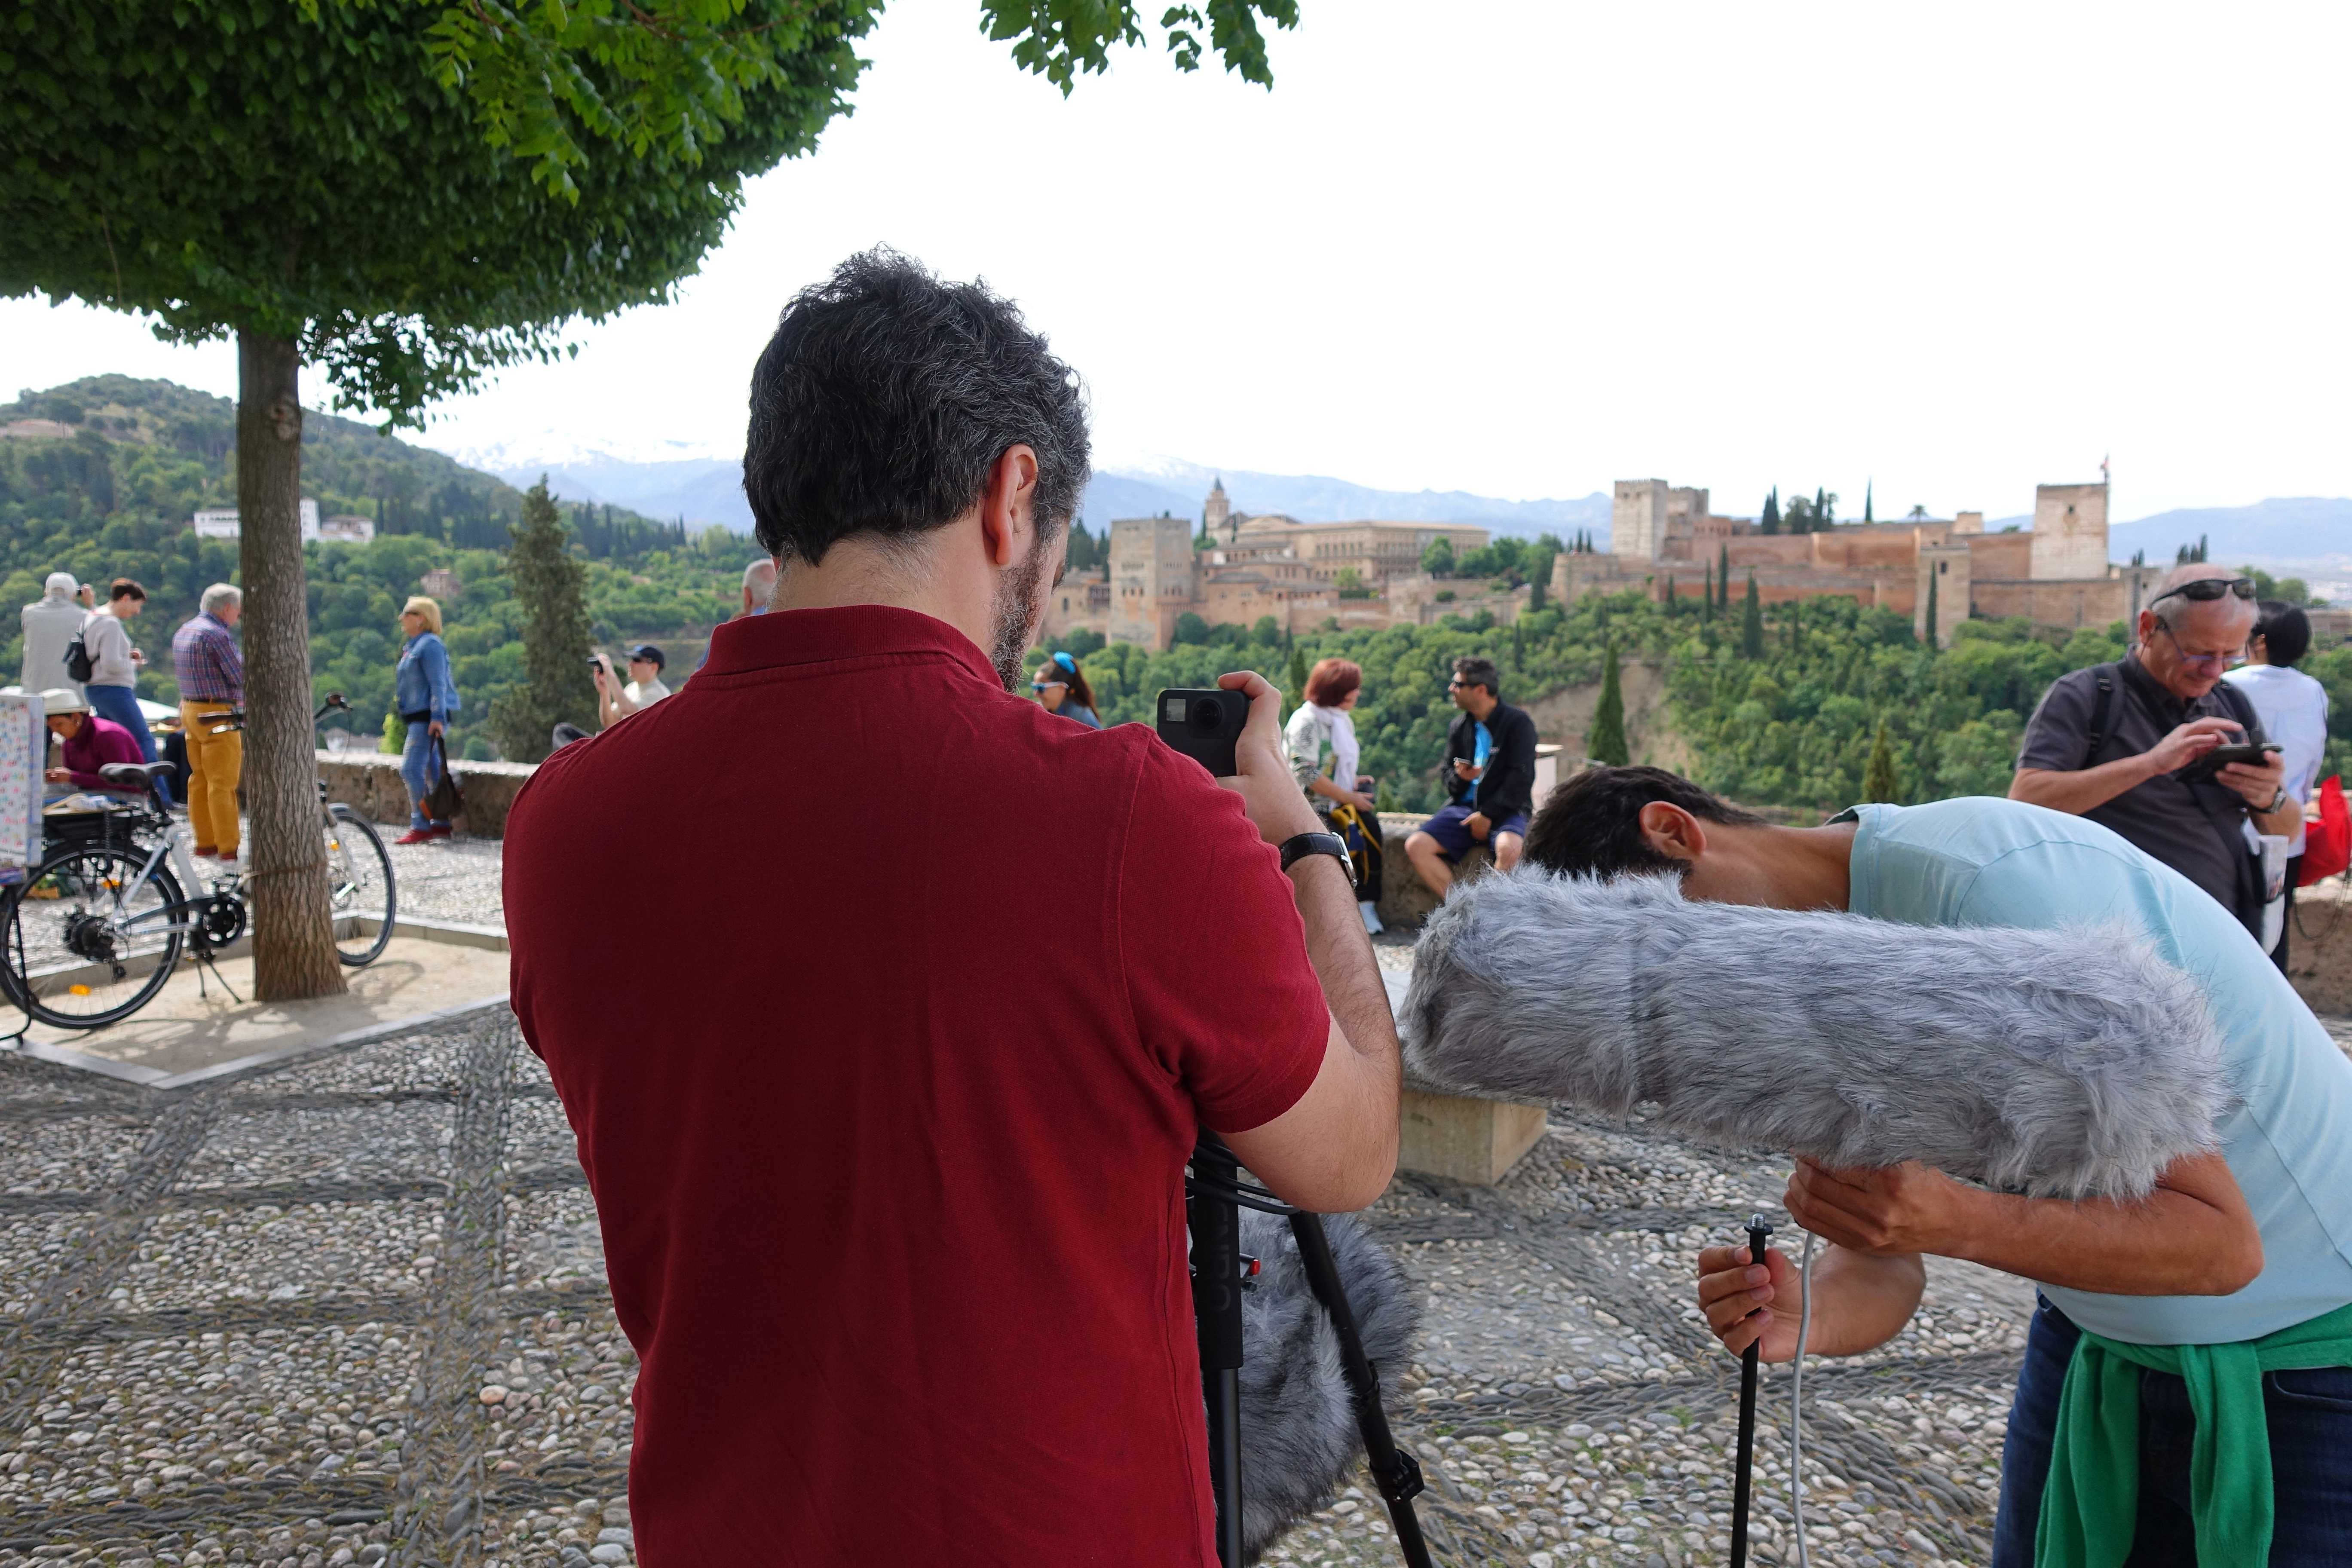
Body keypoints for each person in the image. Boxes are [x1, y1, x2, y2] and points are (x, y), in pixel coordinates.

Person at [504, 250, 1400, 1567]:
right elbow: (1353, 1149)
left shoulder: (564, 824)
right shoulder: (1131, 818)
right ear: (1011, 494)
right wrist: (1306, 843)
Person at [1522, 764, 2352, 1567]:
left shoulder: (1989, 889)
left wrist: (1955, 1217)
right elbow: (1886, 1266)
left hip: (2305, 1364)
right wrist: (1803, 1311)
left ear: (1673, 831)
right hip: (2102, 1339)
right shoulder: (1789, 983)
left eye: (1665, 948)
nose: (1683, 988)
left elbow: (2219, 1246)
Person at [2011, 564, 2300, 937]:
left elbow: (2289, 832)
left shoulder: (2233, 704)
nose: (2214, 672)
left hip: (2222, 932)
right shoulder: (2088, 696)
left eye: (2230, 657)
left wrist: (2268, 795)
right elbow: (2026, 802)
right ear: (2148, 628)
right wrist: (2151, 764)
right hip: (2113, 939)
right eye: (2198, 654)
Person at [2224, 600, 2331, 972]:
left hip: (2232, 834)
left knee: (2225, 940)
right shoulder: (2314, 690)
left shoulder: (2227, 684)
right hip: (2289, 837)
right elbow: (2312, 762)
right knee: (2273, 942)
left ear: (2261, 641)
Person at [1404, 654, 1537, 896]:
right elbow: (1446, 772)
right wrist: (1461, 778)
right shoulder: (1460, 726)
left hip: (1507, 808)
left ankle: (1493, 915)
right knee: (1417, 846)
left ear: (1481, 690)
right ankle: (1463, 910)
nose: (1451, 689)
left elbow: (1522, 777)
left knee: (1511, 850)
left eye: (1458, 684)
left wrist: (1487, 815)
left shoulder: (1517, 723)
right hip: (1464, 809)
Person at [1284, 657, 1384, 933]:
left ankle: (1365, 906)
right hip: (1309, 807)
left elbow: (1332, 763)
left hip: (1337, 801)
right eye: (1353, 688)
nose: (1357, 693)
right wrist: (1347, 795)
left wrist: (1352, 781)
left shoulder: (1340, 720)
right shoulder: (1307, 722)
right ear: (1335, 690)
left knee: (1371, 833)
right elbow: (1304, 772)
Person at [171, 583, 244, 861]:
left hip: (190, 710)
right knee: (222, 784)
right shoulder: (217, 636)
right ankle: (228, 847)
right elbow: (239, 676)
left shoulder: (185, 631)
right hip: (218, 714)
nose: (237, 617)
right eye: (237, 611)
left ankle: (205, 842)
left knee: (199, 779)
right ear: (227, 608)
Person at [78, 578, 162, 790]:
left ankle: (118, 791)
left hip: (95, 689)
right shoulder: (111, 623)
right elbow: (112, 664)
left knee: (112, 743)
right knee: (143, 740)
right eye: (137, 605)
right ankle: (160, 797)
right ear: (126, 598)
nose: (137, 612)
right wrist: (134, 663)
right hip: (114, 689)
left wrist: (126, 655)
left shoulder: (93, 617)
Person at [394, 596, 462, 845]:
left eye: (407, 613)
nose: (402, 618)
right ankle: (441, 823)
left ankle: (420, 824)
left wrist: (437, 717)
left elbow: (438, 684)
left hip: (427, 718)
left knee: (411, 768)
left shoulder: (430, 645)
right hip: (419, 717)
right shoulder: (415, 645)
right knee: (434, 770)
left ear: (421, 618)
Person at [39, 688, 147, 796]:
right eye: (51, 727)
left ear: (76, 717)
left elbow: (123, 782)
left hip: (127, 798)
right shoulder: (68, 743)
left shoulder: (107, 735)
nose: (55, 731)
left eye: (59, 724)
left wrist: (72, 777)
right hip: (91, 794)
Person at [19, 572, 86, 698]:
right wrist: (91, 604)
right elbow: (100, 625)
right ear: (73, 593)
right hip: (71, 691)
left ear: (47, 592)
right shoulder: (84, 617)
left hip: (34, 689)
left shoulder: (29, 613)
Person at [592, 643, 668, 728]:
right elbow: (610, 724)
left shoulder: (659, 694)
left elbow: (628, 710)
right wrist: (605, 693)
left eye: (637, 660)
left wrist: (610, 673)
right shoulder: (631, 688)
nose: (630, 664)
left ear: (654, 667)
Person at [1029, 649, 1101, 727]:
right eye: (1034, 687)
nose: (1036, 694)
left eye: (1040, 688)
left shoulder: (1081, 716)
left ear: (1061, 688)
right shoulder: (1039, 714)